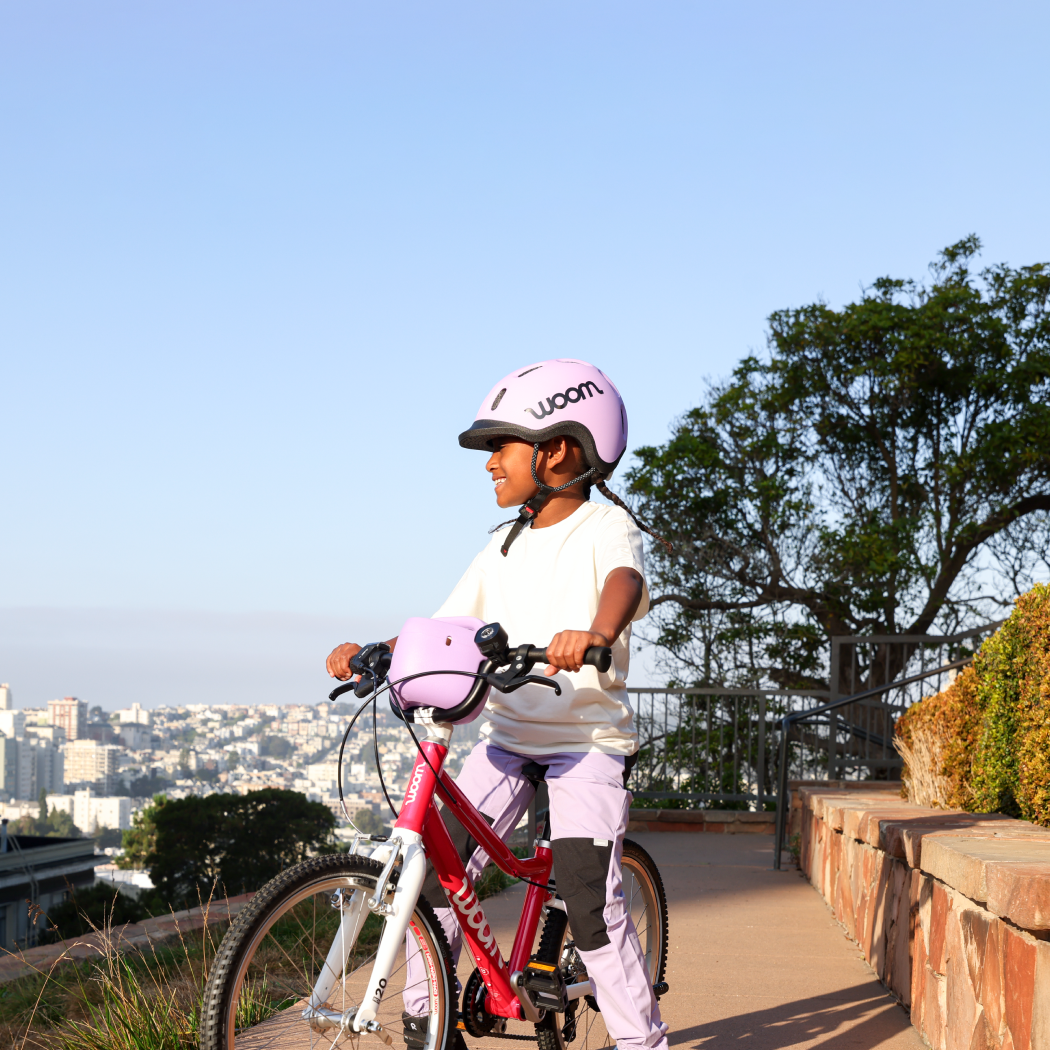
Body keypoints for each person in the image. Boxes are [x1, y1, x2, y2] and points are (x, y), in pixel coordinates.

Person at [327, 359, 669, 1050]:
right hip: (510, 738)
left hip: (587, 743)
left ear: (559, 449)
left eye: (499, 447)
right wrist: (382, 648)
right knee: (434, 881)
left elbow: (625, 582)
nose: (488, 464)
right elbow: (443, 630)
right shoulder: (501, 546)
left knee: (587, 897)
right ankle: (430, 1021)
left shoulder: (603, 528)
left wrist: (597, 634)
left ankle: (643, 1042)